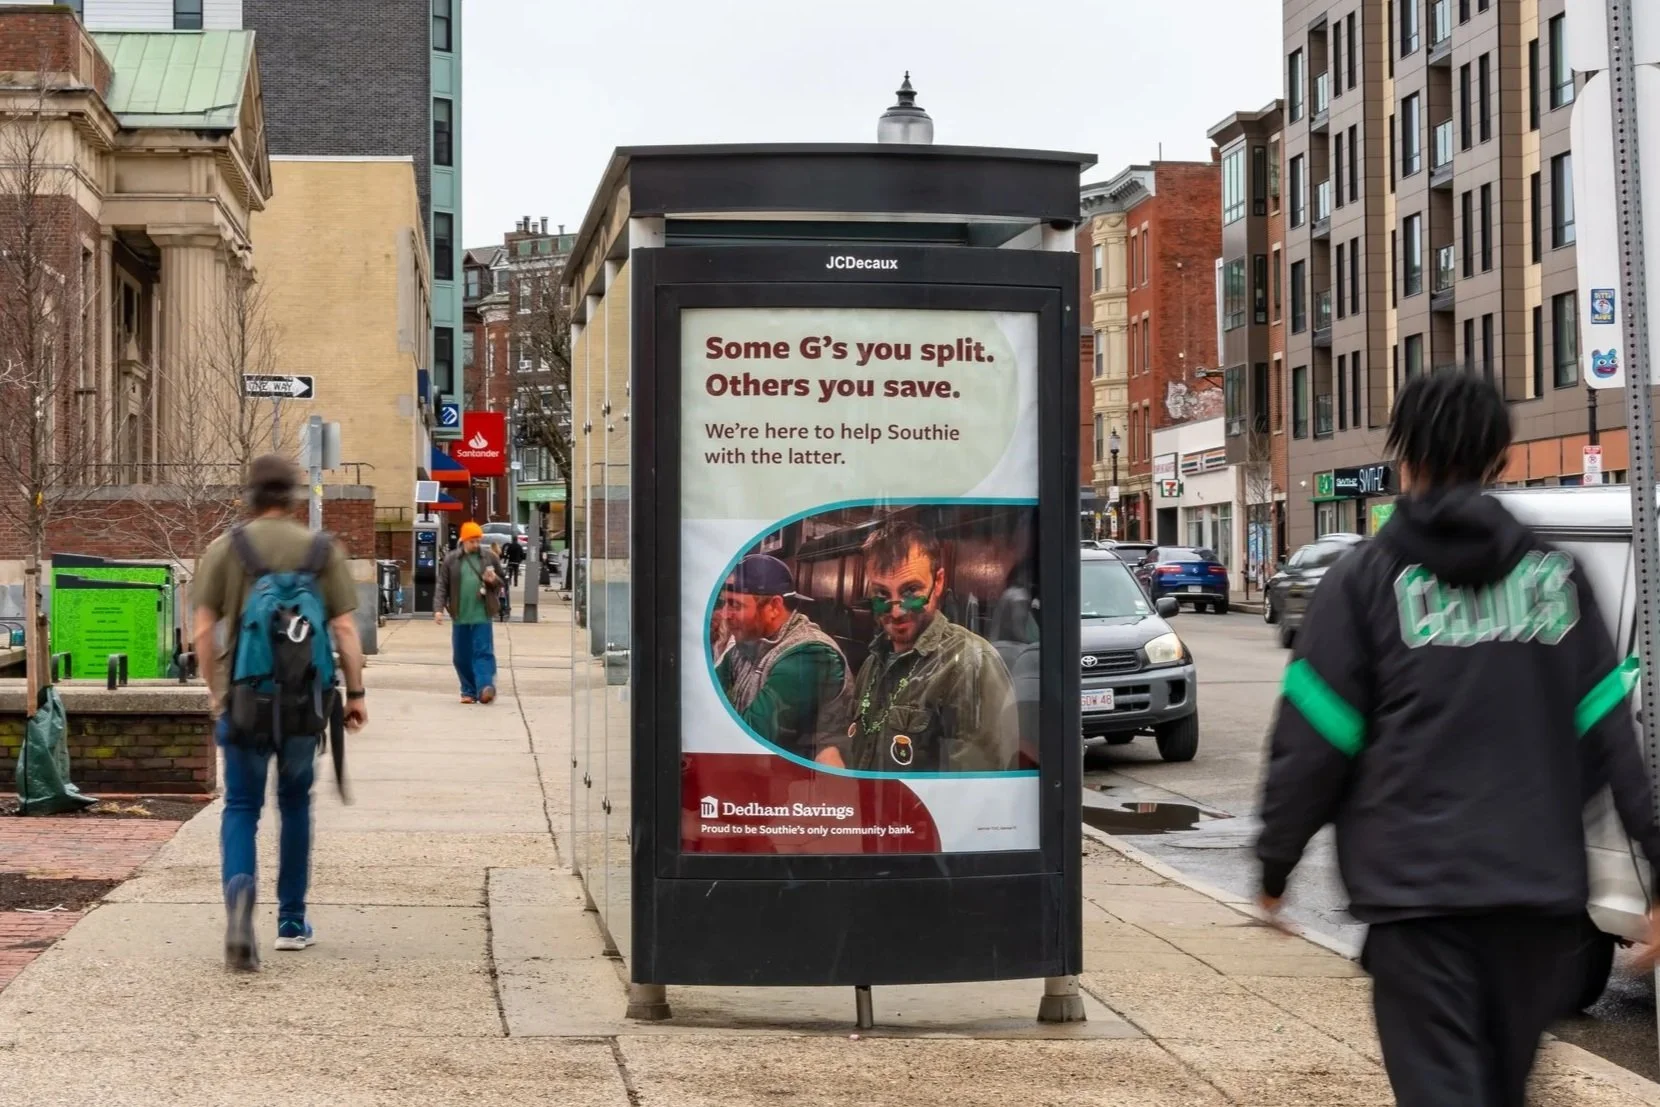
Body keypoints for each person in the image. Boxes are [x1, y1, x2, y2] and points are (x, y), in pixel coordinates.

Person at [1255, 368, 1660, 1107]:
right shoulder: (1559, 578)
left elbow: (1316, 739)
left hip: (1421, 908)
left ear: (1404, 457)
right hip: (1536, 909)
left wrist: (1275, 863)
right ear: (1499, 458)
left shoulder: (1365, 580)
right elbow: (1612, 734)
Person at [192, 455, 368, 970]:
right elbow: (345, 633)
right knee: (295, 803)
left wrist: (216, 692)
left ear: (248, 496)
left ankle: (239, 898)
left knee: (242, 807)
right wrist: (354, 694)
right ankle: (291, 920)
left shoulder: (225, 550)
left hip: (245, 698)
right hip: (303, 705)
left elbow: (203, 632)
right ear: (293, 498)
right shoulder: (321, 550)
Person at [827, 521, 1018, 772]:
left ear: (937, 582)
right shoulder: (874, 662)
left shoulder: (971, 664)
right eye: (882, 595)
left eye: (911, 591)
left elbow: (975, 793)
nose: (896, 611)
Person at [714, 554, 851, 761]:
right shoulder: (750, 640)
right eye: (724, 603)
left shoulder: (810, 655)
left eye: (735, 605)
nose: (725, 614)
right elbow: (707, 699)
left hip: (805, 786)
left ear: (774, 607)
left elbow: (749, 737)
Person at [435, 521, 505, 704]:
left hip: (482, 613)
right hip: (460, 615)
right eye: (472, 541)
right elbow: (442, 585)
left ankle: (485, 688)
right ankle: (468, 690)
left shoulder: (489, 557)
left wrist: (493, 580)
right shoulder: (451, 560)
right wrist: (438, 609)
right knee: (461, 655)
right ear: (464, 541)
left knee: (483, 652)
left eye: (478, 541)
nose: (476, 545)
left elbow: (502, 582)